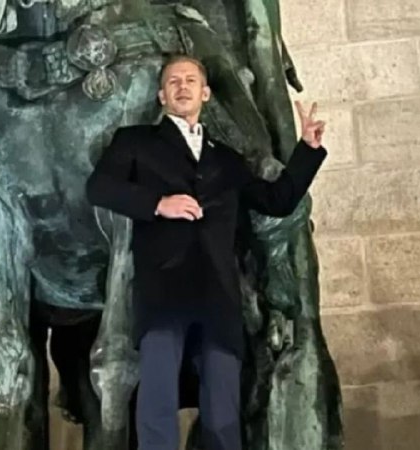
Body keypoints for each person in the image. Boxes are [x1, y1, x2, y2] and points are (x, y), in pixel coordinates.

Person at [85, 54, 327, 450]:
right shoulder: (135, 141)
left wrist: (308, 150)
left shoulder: (226, 159)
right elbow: (99, 188)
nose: (182, 86)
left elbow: (277, 200)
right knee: (157, 409)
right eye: (174, 81)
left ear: (206, 93)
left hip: (219, 298)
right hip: (162, 293)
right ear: (162, 96)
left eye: (191, 81)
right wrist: (158, 203)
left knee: (222, 416)